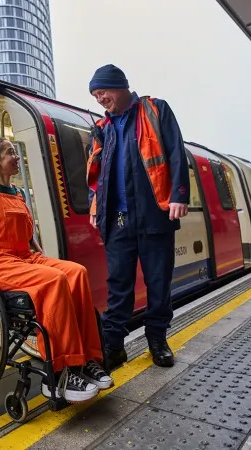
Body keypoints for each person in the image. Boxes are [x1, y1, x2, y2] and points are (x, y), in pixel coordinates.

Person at [0, 137, 113, 403]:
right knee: (54, 280)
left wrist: (41, 255)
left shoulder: (18, 194)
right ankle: (59, 373)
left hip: (25, 257)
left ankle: (86, 359)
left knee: (76, 272)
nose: (16, 157)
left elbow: (27, 235)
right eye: (10, 153)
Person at [86, 64, 190, 372]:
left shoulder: (155, 110)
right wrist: (96, 209)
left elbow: (175, 151)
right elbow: (95, 176)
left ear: (119, 87)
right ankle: (114, 347)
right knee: (118, 284)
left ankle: (157, 340)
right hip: (117, 219)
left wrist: (179, 194)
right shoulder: (102, 127)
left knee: (158, 282)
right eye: (94, 95)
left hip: (154, 213)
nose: (99, 99)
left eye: (102, 92)